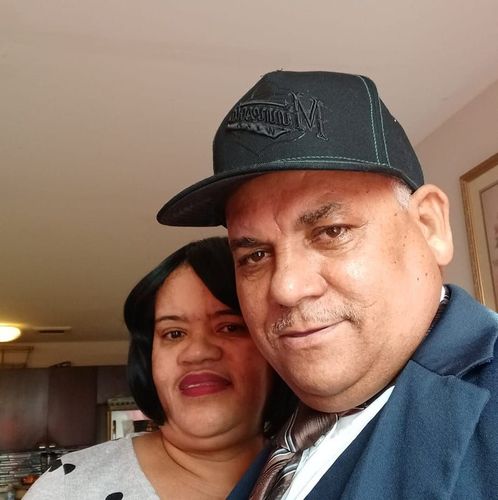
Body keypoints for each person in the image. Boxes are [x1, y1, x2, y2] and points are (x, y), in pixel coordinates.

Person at [157, 71, 498, 499]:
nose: (286, 287)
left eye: (331, 231)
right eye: (255, 255)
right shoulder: (290, 432)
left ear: (430, 226)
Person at [24, 237, 295, 499]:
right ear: (148, 359)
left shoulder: (314, 472)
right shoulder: (67, 488)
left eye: (230, 327)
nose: (197, 352)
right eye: (174, 333)